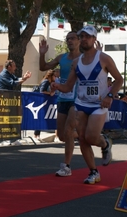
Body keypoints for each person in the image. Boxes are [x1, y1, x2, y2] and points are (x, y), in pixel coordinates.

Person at [51, 25, 123, 184]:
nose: (84, 39)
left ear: (94, 39)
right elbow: (68, 87)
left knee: (90, 137)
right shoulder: (76, 62)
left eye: (87, 36)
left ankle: (104, 143)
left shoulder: (103, 58)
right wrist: (57, 86)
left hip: (99, 104)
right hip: (81, 103)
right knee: (82, 139)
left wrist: (110, 95)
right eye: (81, 36)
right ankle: (93, 172)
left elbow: (119, 79)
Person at [39, 31, 81, 177]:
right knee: (62, 135)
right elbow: (43, 67)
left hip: (76, 99)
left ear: (79, 41)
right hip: (62, 97)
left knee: (68, 132)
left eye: (72, 39)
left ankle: (66, 166)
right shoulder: (61, 57)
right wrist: (42, 54)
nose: (69, 41)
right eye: (67, 39)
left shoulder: (84, 58)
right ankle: (85, 135)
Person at [33, 69, 57, 139]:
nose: (55, 78)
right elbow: (42, 91)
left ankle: (37, 135)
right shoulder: (46, 82)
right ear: (51, 76)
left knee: (42, 118)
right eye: (54, 76)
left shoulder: (49, 82)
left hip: (45, 103)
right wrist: (50, 93)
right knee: (40, 118)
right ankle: (36, 135)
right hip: (41, 103)